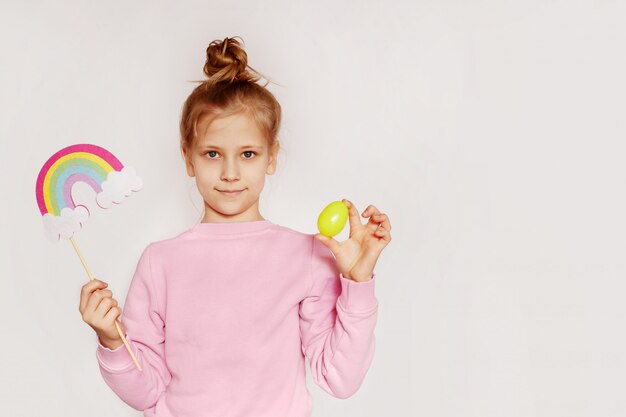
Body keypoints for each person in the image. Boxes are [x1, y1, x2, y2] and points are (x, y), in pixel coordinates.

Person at [79, 36, 392, 417]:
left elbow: (339, 379)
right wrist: (112, 340)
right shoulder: (160, 262)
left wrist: (358, 283)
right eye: (212, 154)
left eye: (247, 154)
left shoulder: (308, 255)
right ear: (188, 158)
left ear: (271, 157)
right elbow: (146, 391)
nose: (229, 173)